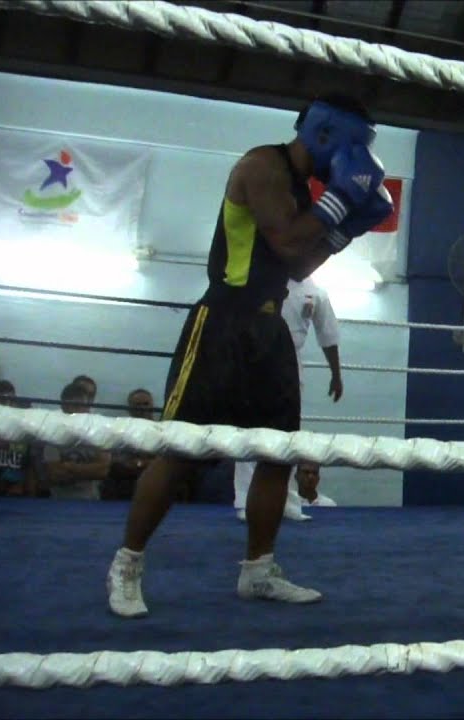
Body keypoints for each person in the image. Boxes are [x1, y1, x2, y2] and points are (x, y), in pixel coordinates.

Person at [105, 93, 394, 618]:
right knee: (179, 451)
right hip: (222, 322)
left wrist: (347, 228)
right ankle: (126, 564)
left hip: (270, 328)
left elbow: (299, 267)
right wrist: (341, 202)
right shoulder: (261, 165)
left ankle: (258, 572)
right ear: (327, 134)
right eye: (353, 145)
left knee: (276, 454)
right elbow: (285, 241)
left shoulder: (305, 191)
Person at [233, 273, 344, 522]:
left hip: (291, 361)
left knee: (289, 433)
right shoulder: (262, 280)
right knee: (249, 430)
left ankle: (285, 500)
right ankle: (244, 501)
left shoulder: (317, 293)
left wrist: (336, 374)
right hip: (256, 357)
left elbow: (328, 334)